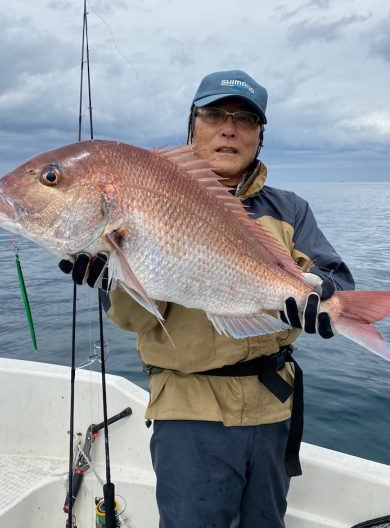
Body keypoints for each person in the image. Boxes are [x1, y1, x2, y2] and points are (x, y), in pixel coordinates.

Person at [60, 69, 355, 528]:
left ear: (260, 136)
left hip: (272, 405)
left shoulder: (288, 209)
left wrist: (323, 299)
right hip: (187, 407)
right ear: (192, 124)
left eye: (245, 119)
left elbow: (334, 280)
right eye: (214, 114)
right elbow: (140, 321)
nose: (229, 128)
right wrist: (112, 278)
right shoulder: (147, 196)